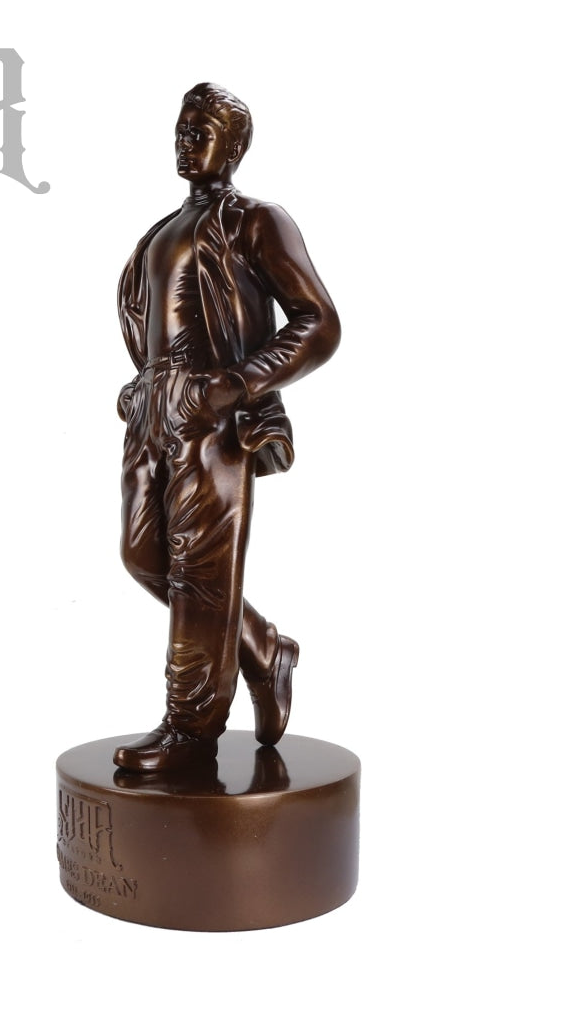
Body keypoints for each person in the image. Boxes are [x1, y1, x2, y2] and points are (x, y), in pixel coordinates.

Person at [113, 83, 340, 772]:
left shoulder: (256, 221)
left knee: (200, 571)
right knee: (144, 557)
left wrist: (237, 383)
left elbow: (318, 322)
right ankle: (263, 649)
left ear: (235, 146)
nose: (186, 141)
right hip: (154, 407)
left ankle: (190, 731)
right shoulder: (159, 231)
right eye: (181, 129)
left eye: (201, 131)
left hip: (214, 412)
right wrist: (142, 389)